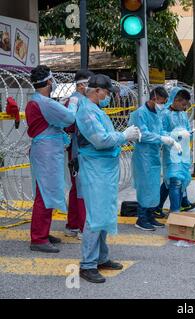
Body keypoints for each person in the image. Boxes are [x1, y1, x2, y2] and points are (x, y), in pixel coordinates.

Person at [76, 74, 141, 283]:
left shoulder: (95, 110)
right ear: (97, 91)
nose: (108, 97)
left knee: (103, 214)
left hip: (103, 169)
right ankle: (87, 264)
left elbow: (106, 136)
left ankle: (101, 258)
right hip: (95, 169)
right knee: (95, 216)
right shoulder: (87, 111)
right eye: (107, 93)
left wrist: (122, 135)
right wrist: (125, 135)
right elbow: (102, 140)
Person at [25, 65, 79, 253]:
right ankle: (38, 239)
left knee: (46, 193)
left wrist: (61, 104)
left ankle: (42, 233)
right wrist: (72, 102)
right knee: (43, 194)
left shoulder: (38, 101)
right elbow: (70, 118)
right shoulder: (45, 103)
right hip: (46, 153)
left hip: (45, 151)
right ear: (49, 81)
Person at [129, 87, 177, 231]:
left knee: (153, 187)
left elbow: (160, 130)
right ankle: (141, 218)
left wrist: (170, 137)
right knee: (145, 187)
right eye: (161, 102)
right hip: (143, 156)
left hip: (154, 154)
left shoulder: (157, 113)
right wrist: (161, 138)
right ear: (154, 98)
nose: (163, 106)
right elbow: (143, 134)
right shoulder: (140, 114)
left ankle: (150, 216)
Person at [155, 87, 195, 218]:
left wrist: (190, 134)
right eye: (183, 104)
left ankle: (157, 207)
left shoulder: (182, 114)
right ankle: (175, 213)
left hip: (183, 154)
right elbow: (161, 133)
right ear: (176, 100)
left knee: (174, 181)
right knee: (175, 181)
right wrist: (176, 134)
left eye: (186, 105)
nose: (184, 107)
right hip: (171, 153)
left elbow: (185, 131)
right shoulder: (164, 114)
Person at [64, 69, 94, 240]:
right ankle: (83, 227)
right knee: (82, 187)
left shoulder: (81, 100)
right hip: (78, 149)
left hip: (78, 148)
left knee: (77, 187)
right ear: (82, 85)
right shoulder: (76, 101)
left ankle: (73, 224)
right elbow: (69, 124)